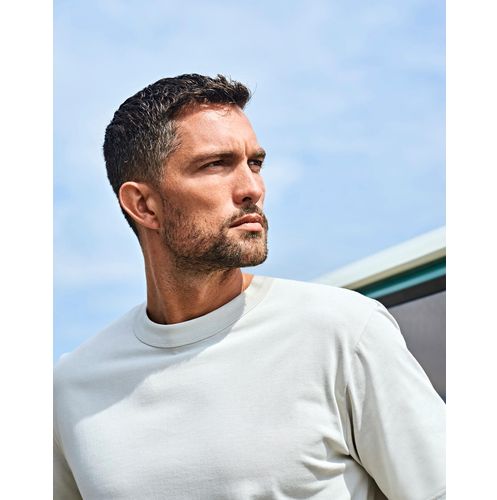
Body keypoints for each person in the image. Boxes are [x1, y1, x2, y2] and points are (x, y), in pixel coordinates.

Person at [54, 74, 445, 500]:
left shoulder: (344, 331)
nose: (252, 189)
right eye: (215, 165)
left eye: (254, 164)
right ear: (143, 205)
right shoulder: (71, 389)